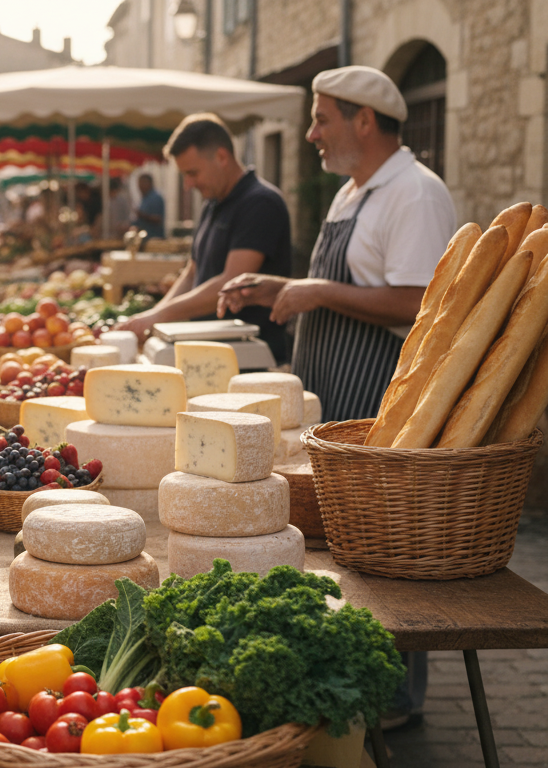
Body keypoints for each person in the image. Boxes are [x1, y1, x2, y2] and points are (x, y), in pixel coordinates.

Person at [221, 65, 457, 731]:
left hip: (381, 392)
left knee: (383, 547)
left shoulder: (414, 193)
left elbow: (418, 300)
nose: (311, 132)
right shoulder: (356, 192)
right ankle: (345, 682)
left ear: (364, 120)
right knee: (343, 548)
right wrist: (280, 287)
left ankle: (396, 698)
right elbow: (343, 280)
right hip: (334, 391)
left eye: (322, 118)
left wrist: (316, 292)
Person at [115, 114, 293, 363]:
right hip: (207, 350)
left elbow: (231, 281)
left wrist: (157, 317)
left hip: (248, 356)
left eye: (192, 173)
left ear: (222, 157)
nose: (188, 184)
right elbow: (192, 273)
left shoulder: (260, 203)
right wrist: (153, 316)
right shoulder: (213, 203)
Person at [133, 173, 166, 238]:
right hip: (144, 237)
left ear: (149, 183)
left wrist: (143, 215)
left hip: (154, 238)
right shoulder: (144, 198)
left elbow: (158, 219)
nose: (140, 186)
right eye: (139, 184)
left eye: (142, 183)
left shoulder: (156, 198)